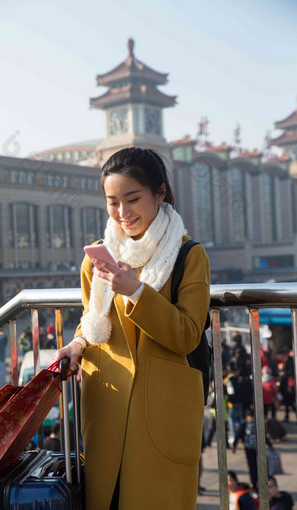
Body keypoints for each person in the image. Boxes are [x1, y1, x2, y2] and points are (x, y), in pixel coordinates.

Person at [56, 147, 210, 510]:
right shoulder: (97, 255)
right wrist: (77, 343)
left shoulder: (189, 255)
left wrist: (137, 292)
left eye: (133, 199)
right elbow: (92, 318)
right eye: (112, 202)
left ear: (160, 193)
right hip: (105, 400)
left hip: (160, 409)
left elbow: (187, 334)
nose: (123, 213)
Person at [233, 408, 274, 494]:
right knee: (252, 468)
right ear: (247, 417)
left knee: (262, 466)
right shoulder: (244, 424)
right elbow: (238, 435)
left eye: (253, 416)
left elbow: (263, 436)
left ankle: (264, 484)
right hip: (249, 450)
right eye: (250, 416)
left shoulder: (258, 424)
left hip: (259, 449)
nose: (252, 418)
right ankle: (255, 486)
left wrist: (270, 445)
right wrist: (234, 446)